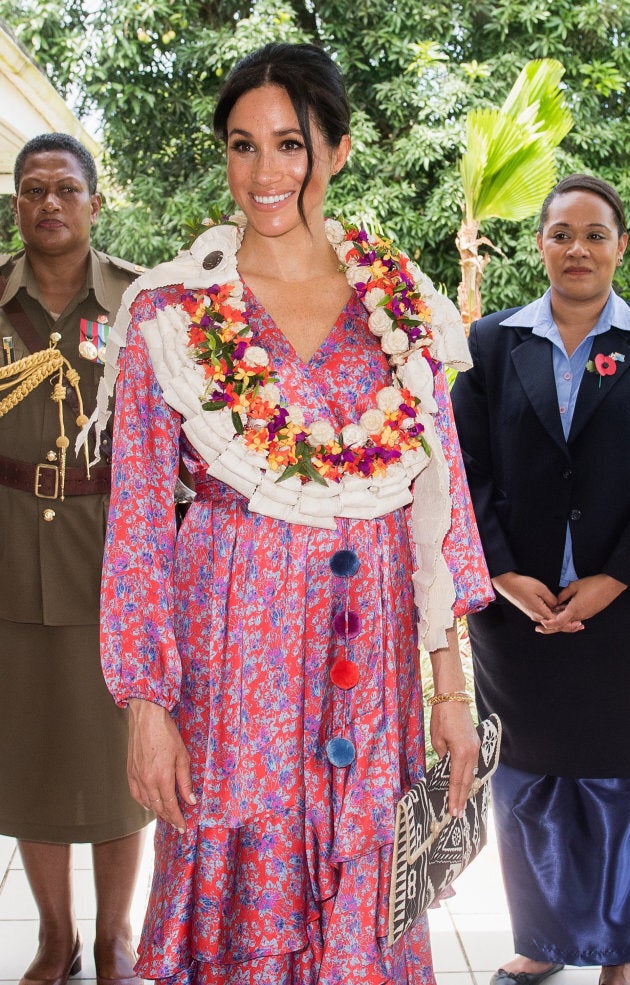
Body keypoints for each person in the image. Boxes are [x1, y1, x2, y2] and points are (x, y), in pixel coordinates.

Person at [99, 42, 493, 984]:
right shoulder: (172, 312)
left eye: (289, 144)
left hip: (370, 664)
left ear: (339, 150)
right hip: (237, 655)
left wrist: (451, 690)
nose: (264, 173)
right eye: (242, 146)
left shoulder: (402, 307)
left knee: (362, 889)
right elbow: (141, 526)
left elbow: (440, 505)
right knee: (246, 891)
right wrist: (146, 710)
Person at [451, 174, 630, 985]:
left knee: (617, 782)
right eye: (562, 233)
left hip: (621, 611)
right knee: (528, 781)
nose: (578, 249)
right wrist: (504, 570)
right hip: (517, 612)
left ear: (620, 246)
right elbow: (463, 469)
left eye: (595, 233)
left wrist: (615, 577)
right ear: (540, 246)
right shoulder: (488, 347)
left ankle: (620, 948)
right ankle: (544, 938)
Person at [0, 133, 153, 985]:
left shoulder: (139, 302)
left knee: (120, 764)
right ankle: (54, 937)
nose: (48, 203)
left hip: (114, 557)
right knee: (31, 756)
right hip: (10, 554)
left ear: (95, 202)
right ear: (17, 204)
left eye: (65, 188)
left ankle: (114, 939)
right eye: (31, 190)